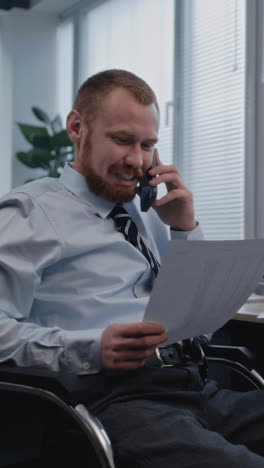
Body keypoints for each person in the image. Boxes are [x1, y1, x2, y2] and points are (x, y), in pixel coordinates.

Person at [0, 69, 264, 468]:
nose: (137, 160)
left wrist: (184, 229)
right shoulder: (29, 213)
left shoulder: (149, 213)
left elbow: (199, 325)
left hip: (193, 390)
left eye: (148, 145)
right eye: (122, 140)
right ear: (77, 127)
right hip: (113, 402)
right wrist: (91, 348)